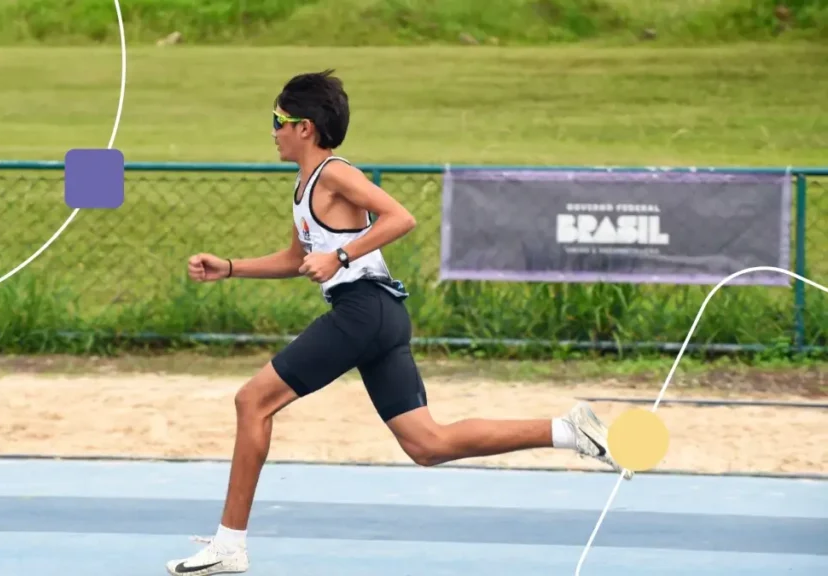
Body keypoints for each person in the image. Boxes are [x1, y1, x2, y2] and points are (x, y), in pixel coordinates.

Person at [166, 70, 631, 576]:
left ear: (305, 127)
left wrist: (342, 255)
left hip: (363, 311)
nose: (272, 130)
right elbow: (295, 257)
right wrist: (230, 268)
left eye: (277, 120)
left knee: (252, 401)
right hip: (381, 317)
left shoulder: (335, 173)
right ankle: (570, 431)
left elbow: (400, 218)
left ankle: (229, 547)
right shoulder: (303, 189)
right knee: (427, 445)